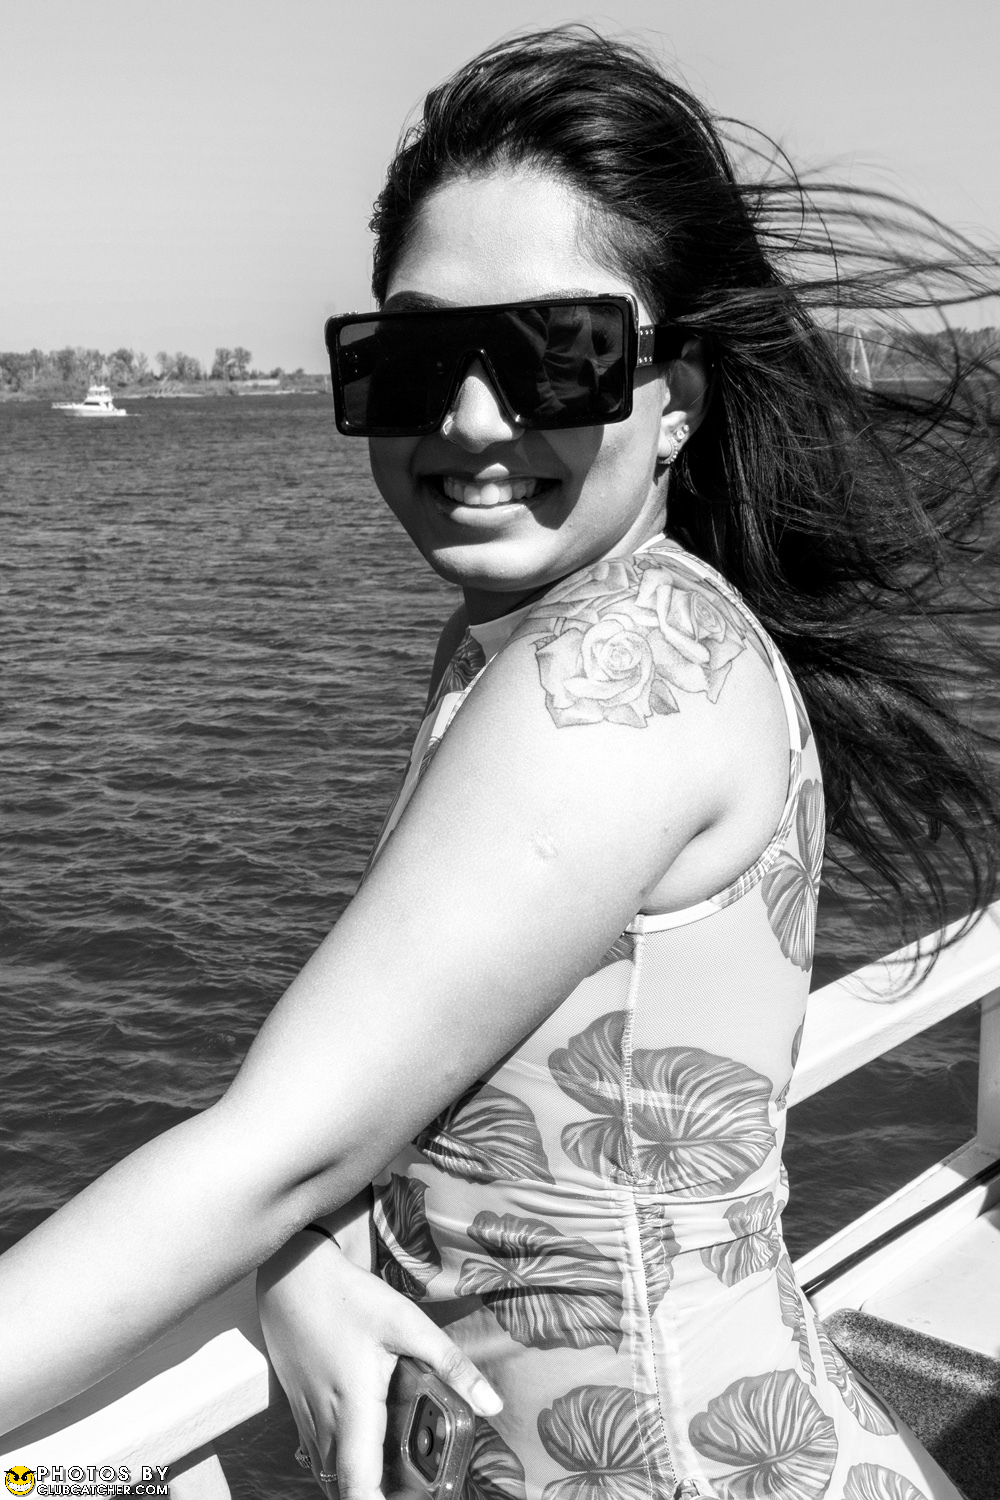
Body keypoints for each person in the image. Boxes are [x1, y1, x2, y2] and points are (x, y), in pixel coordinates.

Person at [2, 26, 998, 1500]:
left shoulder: (617, 676)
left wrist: (285, 1207)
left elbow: (277, 1148)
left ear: (677, 397)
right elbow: (406, 1096)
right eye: (414, 359)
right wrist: (300, 1254)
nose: (471, 421)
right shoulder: (541, 634)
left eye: (555, 355)